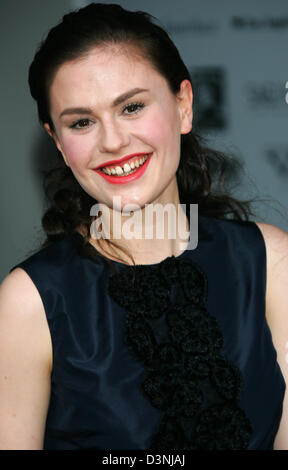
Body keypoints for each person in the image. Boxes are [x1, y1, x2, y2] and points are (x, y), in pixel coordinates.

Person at [0, 3, 288, 451]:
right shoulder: (29, 301)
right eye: (81, 122)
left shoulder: (270, 261)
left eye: (131, 107)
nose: (112, 142)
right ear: (57, 142)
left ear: (184, 105)